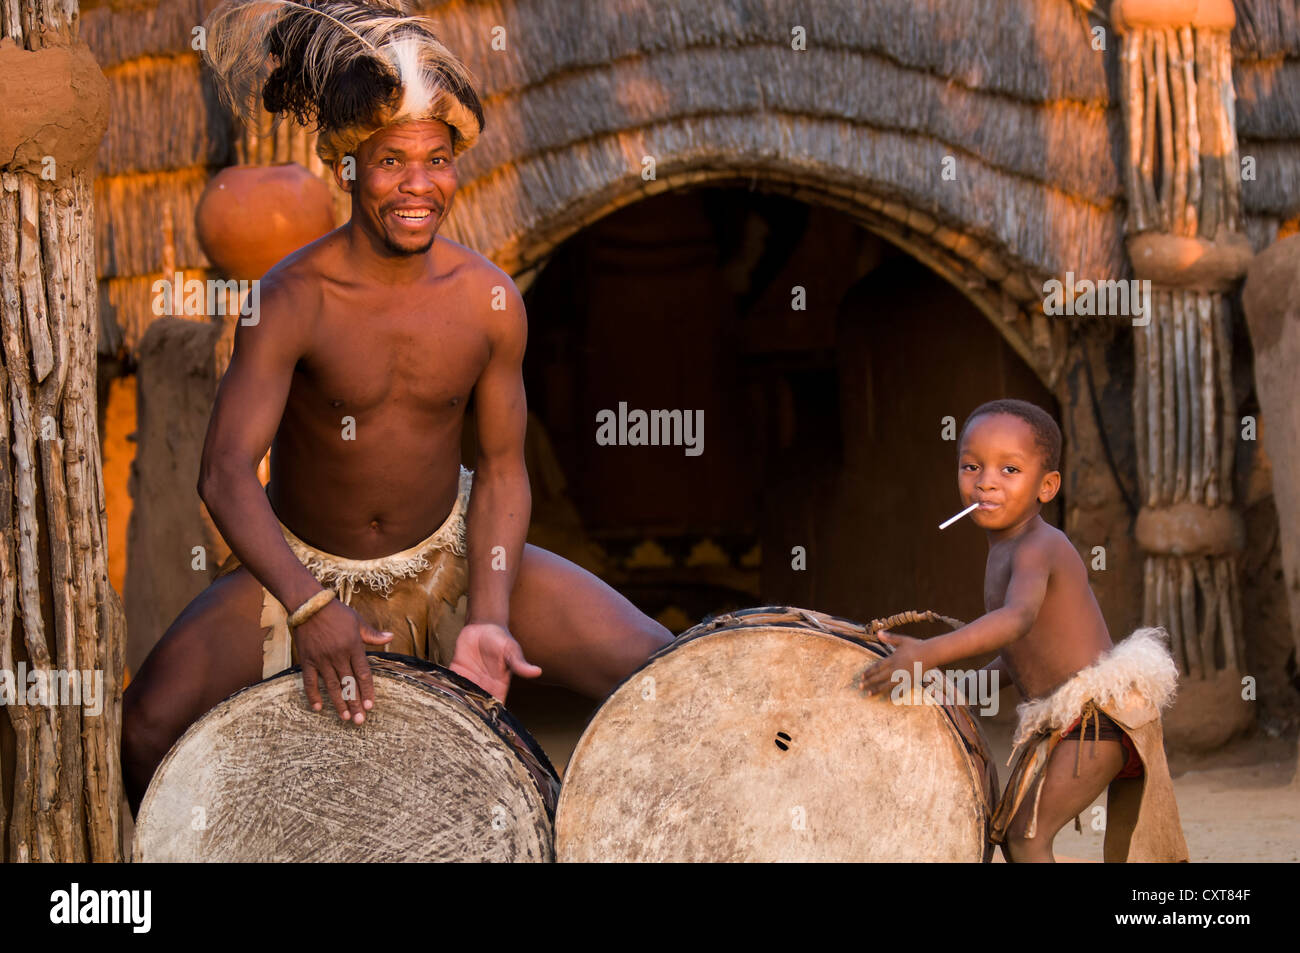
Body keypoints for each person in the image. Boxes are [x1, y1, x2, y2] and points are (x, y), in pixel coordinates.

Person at [122, 0, 672, 813]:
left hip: (448, 554)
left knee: (662, 667)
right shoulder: (291, 299)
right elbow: (225, 472)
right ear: (351, 168)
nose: (420, 186)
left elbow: (500, 466)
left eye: (438, 159)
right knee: (146, 720)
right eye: (391, 162)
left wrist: (487, 614)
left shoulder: (488, 299)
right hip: (302, 571)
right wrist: (309, 604)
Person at [858, 398, 1188, 862]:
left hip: (1100, 721)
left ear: (1047, 486)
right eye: (971, 466)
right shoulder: (1004, 550)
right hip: (1074, 722)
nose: (986, 481)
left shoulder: (1038, 547)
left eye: (1009, 470)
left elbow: (1015, 621)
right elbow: (1021, 653)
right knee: (1015, 835)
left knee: (1026, 836)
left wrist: (929, 653)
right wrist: (955, 689)